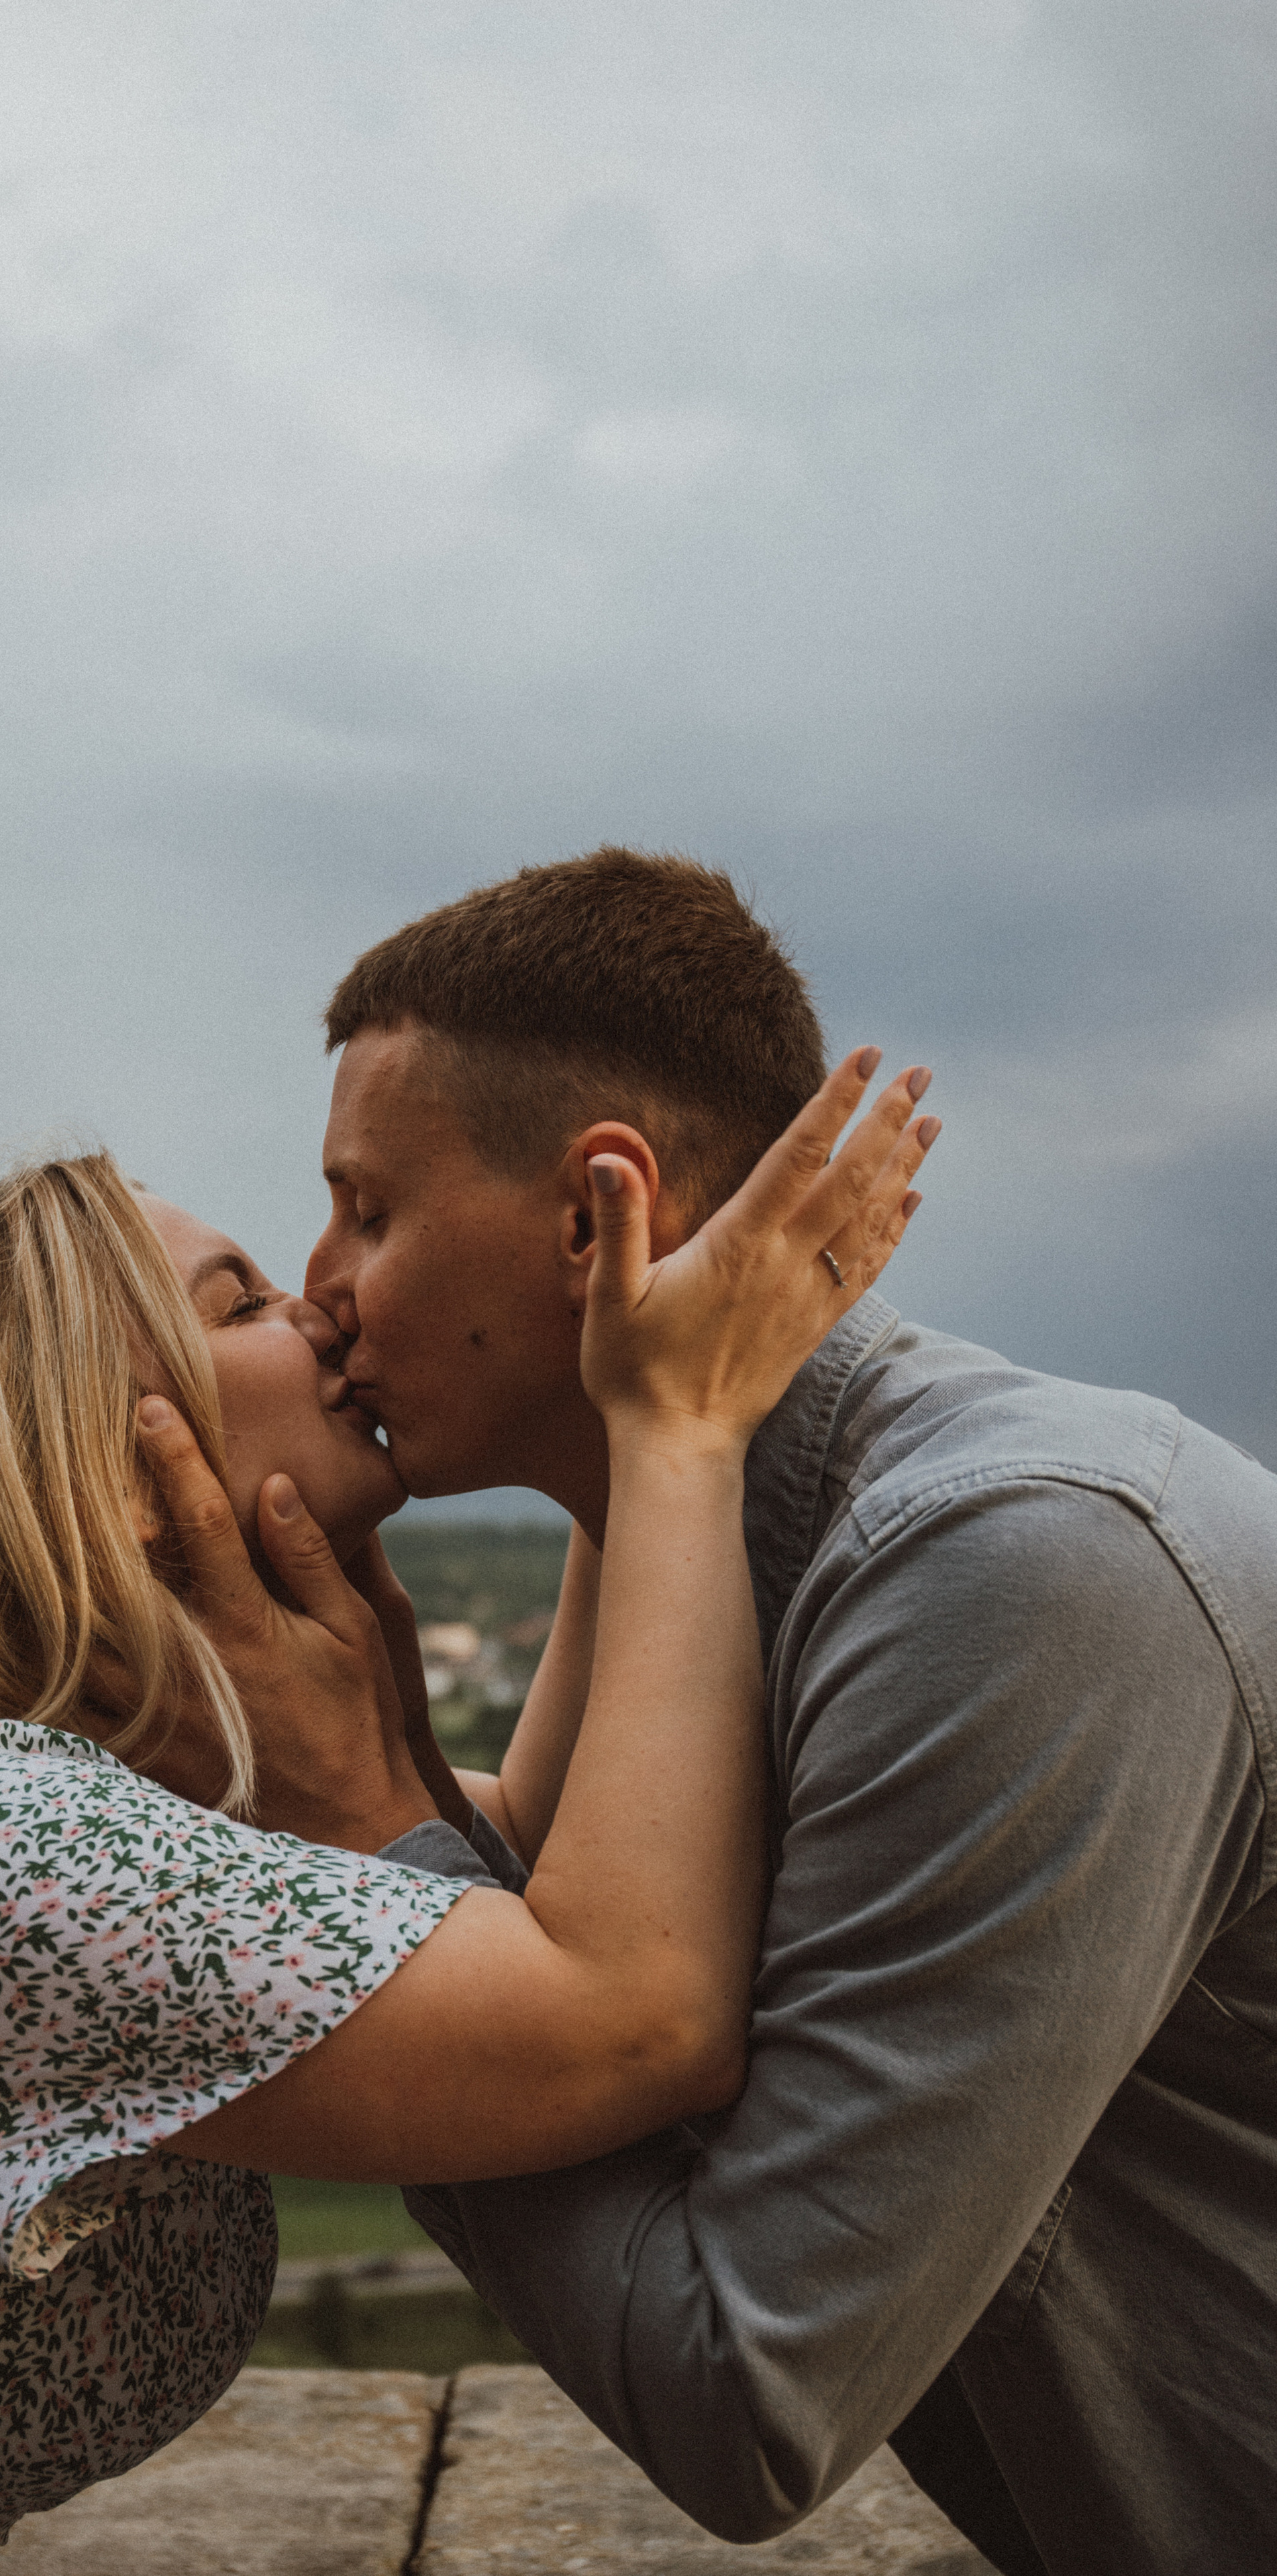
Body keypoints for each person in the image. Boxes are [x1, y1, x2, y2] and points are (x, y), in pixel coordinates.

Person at [0, 1068, 931, 2576]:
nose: (326, 1310)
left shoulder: (127, 1805)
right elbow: (630, 2008)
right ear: (97, 1465)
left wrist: (601, 1371)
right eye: (243, 1303)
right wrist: (679, 1430)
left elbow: (528, 1860)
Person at [297, 847, 1277, 2576]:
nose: (324, 1286)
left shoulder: (1020, 1569)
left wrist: (354, 1829)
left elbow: (747, 2392)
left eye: (368, 1208)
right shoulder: (701, 1516)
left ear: (600, 1218)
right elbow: (554, 1915)